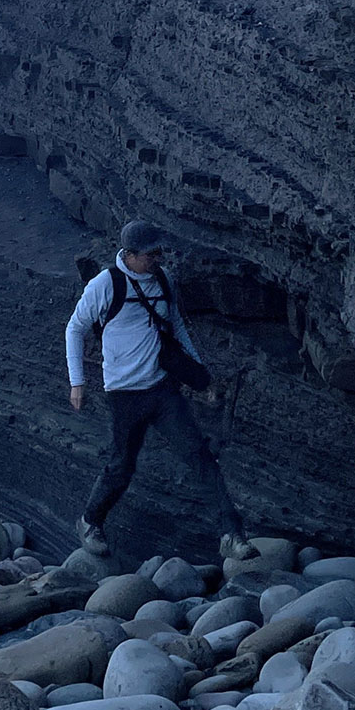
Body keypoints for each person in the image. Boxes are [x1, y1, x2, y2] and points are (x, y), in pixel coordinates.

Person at [66, 218, 244, 556]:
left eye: (158, 252)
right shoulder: (106, 284)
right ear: (129, 254)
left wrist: (200, 375)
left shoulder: (163, 280)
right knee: (122, 466)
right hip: (123, 394)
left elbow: (176, 326)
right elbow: (75, 329)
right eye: (150, 254)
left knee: (200, 456)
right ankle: (91, 522)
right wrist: (78, 383)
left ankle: (232, 536)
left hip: (162, 391)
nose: (156, 259)